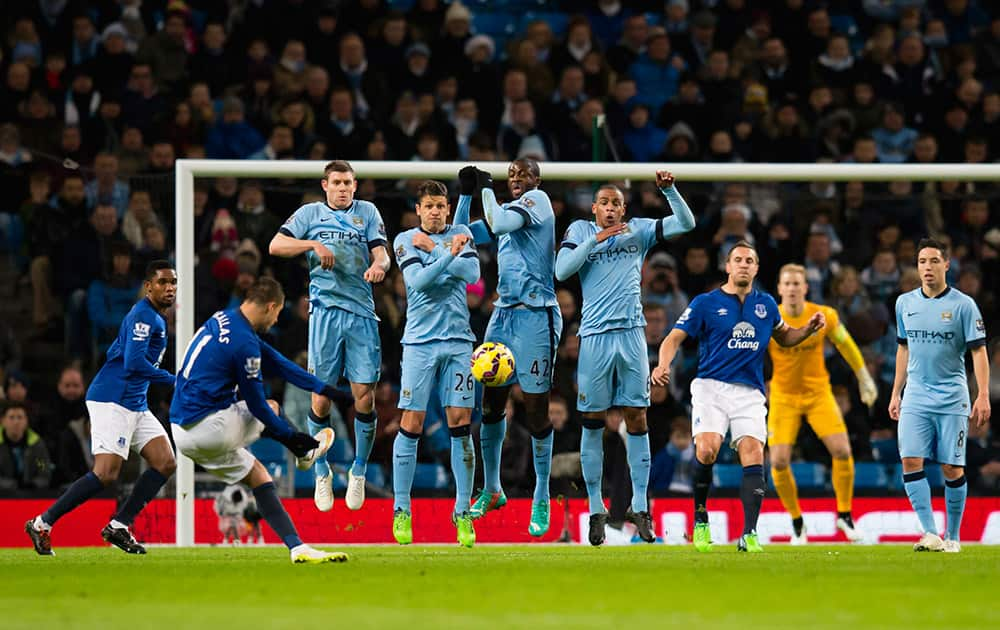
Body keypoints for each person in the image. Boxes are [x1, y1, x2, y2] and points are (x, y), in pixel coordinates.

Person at [652, 242, 825, 552]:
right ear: (727, 266)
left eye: (750, 260)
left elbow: (784, 337)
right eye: (738, 260)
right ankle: (701, 520)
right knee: (706, 451)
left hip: (749, 391)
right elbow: (674, 337)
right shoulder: (706, 303)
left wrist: (808, 330)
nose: (744, 264)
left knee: (754, 453)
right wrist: (663, 364)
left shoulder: (767, 305)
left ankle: (749, 534)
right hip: (710, 387)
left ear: (756, 269)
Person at [554, 171, 695, 546]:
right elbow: (561, 270)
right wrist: (596, 240)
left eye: (617, 203)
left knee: (637, 416)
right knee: (593, 421)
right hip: (596, 337)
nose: (611, 208)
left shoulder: (640, 230)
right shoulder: (581, 231)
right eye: (605, 203)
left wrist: (669, 191)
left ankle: (638, 506)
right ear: (594, 208)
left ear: (624, 208)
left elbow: (686, 222)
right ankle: (597, 508)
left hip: (632, 336)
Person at [169, 278, 345, 564]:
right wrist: (290, 437)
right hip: (209, 427)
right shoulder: (245, 343)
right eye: (277, 315)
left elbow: (278, 363)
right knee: (271, 405)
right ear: (272, 306)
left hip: (180, 433)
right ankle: (305, 451)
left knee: (259, 476)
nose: (275, 321)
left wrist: (321, 388)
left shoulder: (222, 319)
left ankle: (297, 547)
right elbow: (258, 405)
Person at [25, 262, 178, 556]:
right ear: (148, 287)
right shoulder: (144, 316)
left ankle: (119, 525)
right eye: (162, 282)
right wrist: (175, 380)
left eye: (173, 282)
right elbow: (133, 364)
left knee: (165, 462)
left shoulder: (157, 317)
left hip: (135, 401)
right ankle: (42, 523)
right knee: (106, 473)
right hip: (113, 399)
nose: (169, 288)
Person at [269, 160, 390, 513]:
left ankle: (359, 471)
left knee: (363, 399)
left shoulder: (367, 211)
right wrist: (311, 245)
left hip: (363, 316)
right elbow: (276, 246)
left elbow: (381, 253)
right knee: (320, 400)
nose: (342, 188)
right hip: (324, 317)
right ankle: (321, 471)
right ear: (325, 185)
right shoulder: (310, 213)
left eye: (348, 183)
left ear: (355, 186)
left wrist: (379, 267)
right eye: (336, 182)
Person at [454, 158, 563, 536]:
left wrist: (486, 186)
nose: (516, 178)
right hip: (503, 315)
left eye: (523, 174)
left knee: (535, 412)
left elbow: (498, 223)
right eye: (511, 175)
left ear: (537, 180)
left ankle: (541, 495)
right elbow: (463, 234)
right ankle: (493, 488)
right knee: (490, 404)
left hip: (537, 315)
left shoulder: (539, 203)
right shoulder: (505, 212)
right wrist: (467, 195)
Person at [390, 180, 480, 548]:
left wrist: (438, 249)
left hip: (459, 342)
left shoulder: (462, 232)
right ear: (418, 209)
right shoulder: (403, 239)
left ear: (448, 207)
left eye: (441, 206)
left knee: (460, 424)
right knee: (411, 422)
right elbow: (419, 281)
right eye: (429, 206)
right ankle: (401, 509)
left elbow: (473, 277)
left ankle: (462, 512)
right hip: (419, 344)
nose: (436, 212)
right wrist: (449, 254)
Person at [889, 238, 990, 553]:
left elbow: (979, 352)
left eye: (934, 261)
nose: (927, 268)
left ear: (947, 264)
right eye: (922, 262)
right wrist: (896, 392)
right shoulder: (904, 303)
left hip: (951, 396)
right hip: (916, 394)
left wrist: (982, 394)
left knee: (951, 468)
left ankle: (954, 537)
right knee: (910, 460)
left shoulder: (963, 305)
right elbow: (903, 348)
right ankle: (930, 532)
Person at [767, 264, 879, 544]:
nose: (792, 288)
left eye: (797, 283)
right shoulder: (768, 317)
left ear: (805, 288)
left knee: (842, 451)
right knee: (778, 461)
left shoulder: (824, 315)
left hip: (818, 394)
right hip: (783, 396)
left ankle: (845, 515)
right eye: (787, 283)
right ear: (780, 289)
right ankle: (797, 522)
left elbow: (846, 344)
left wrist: (863, 376)